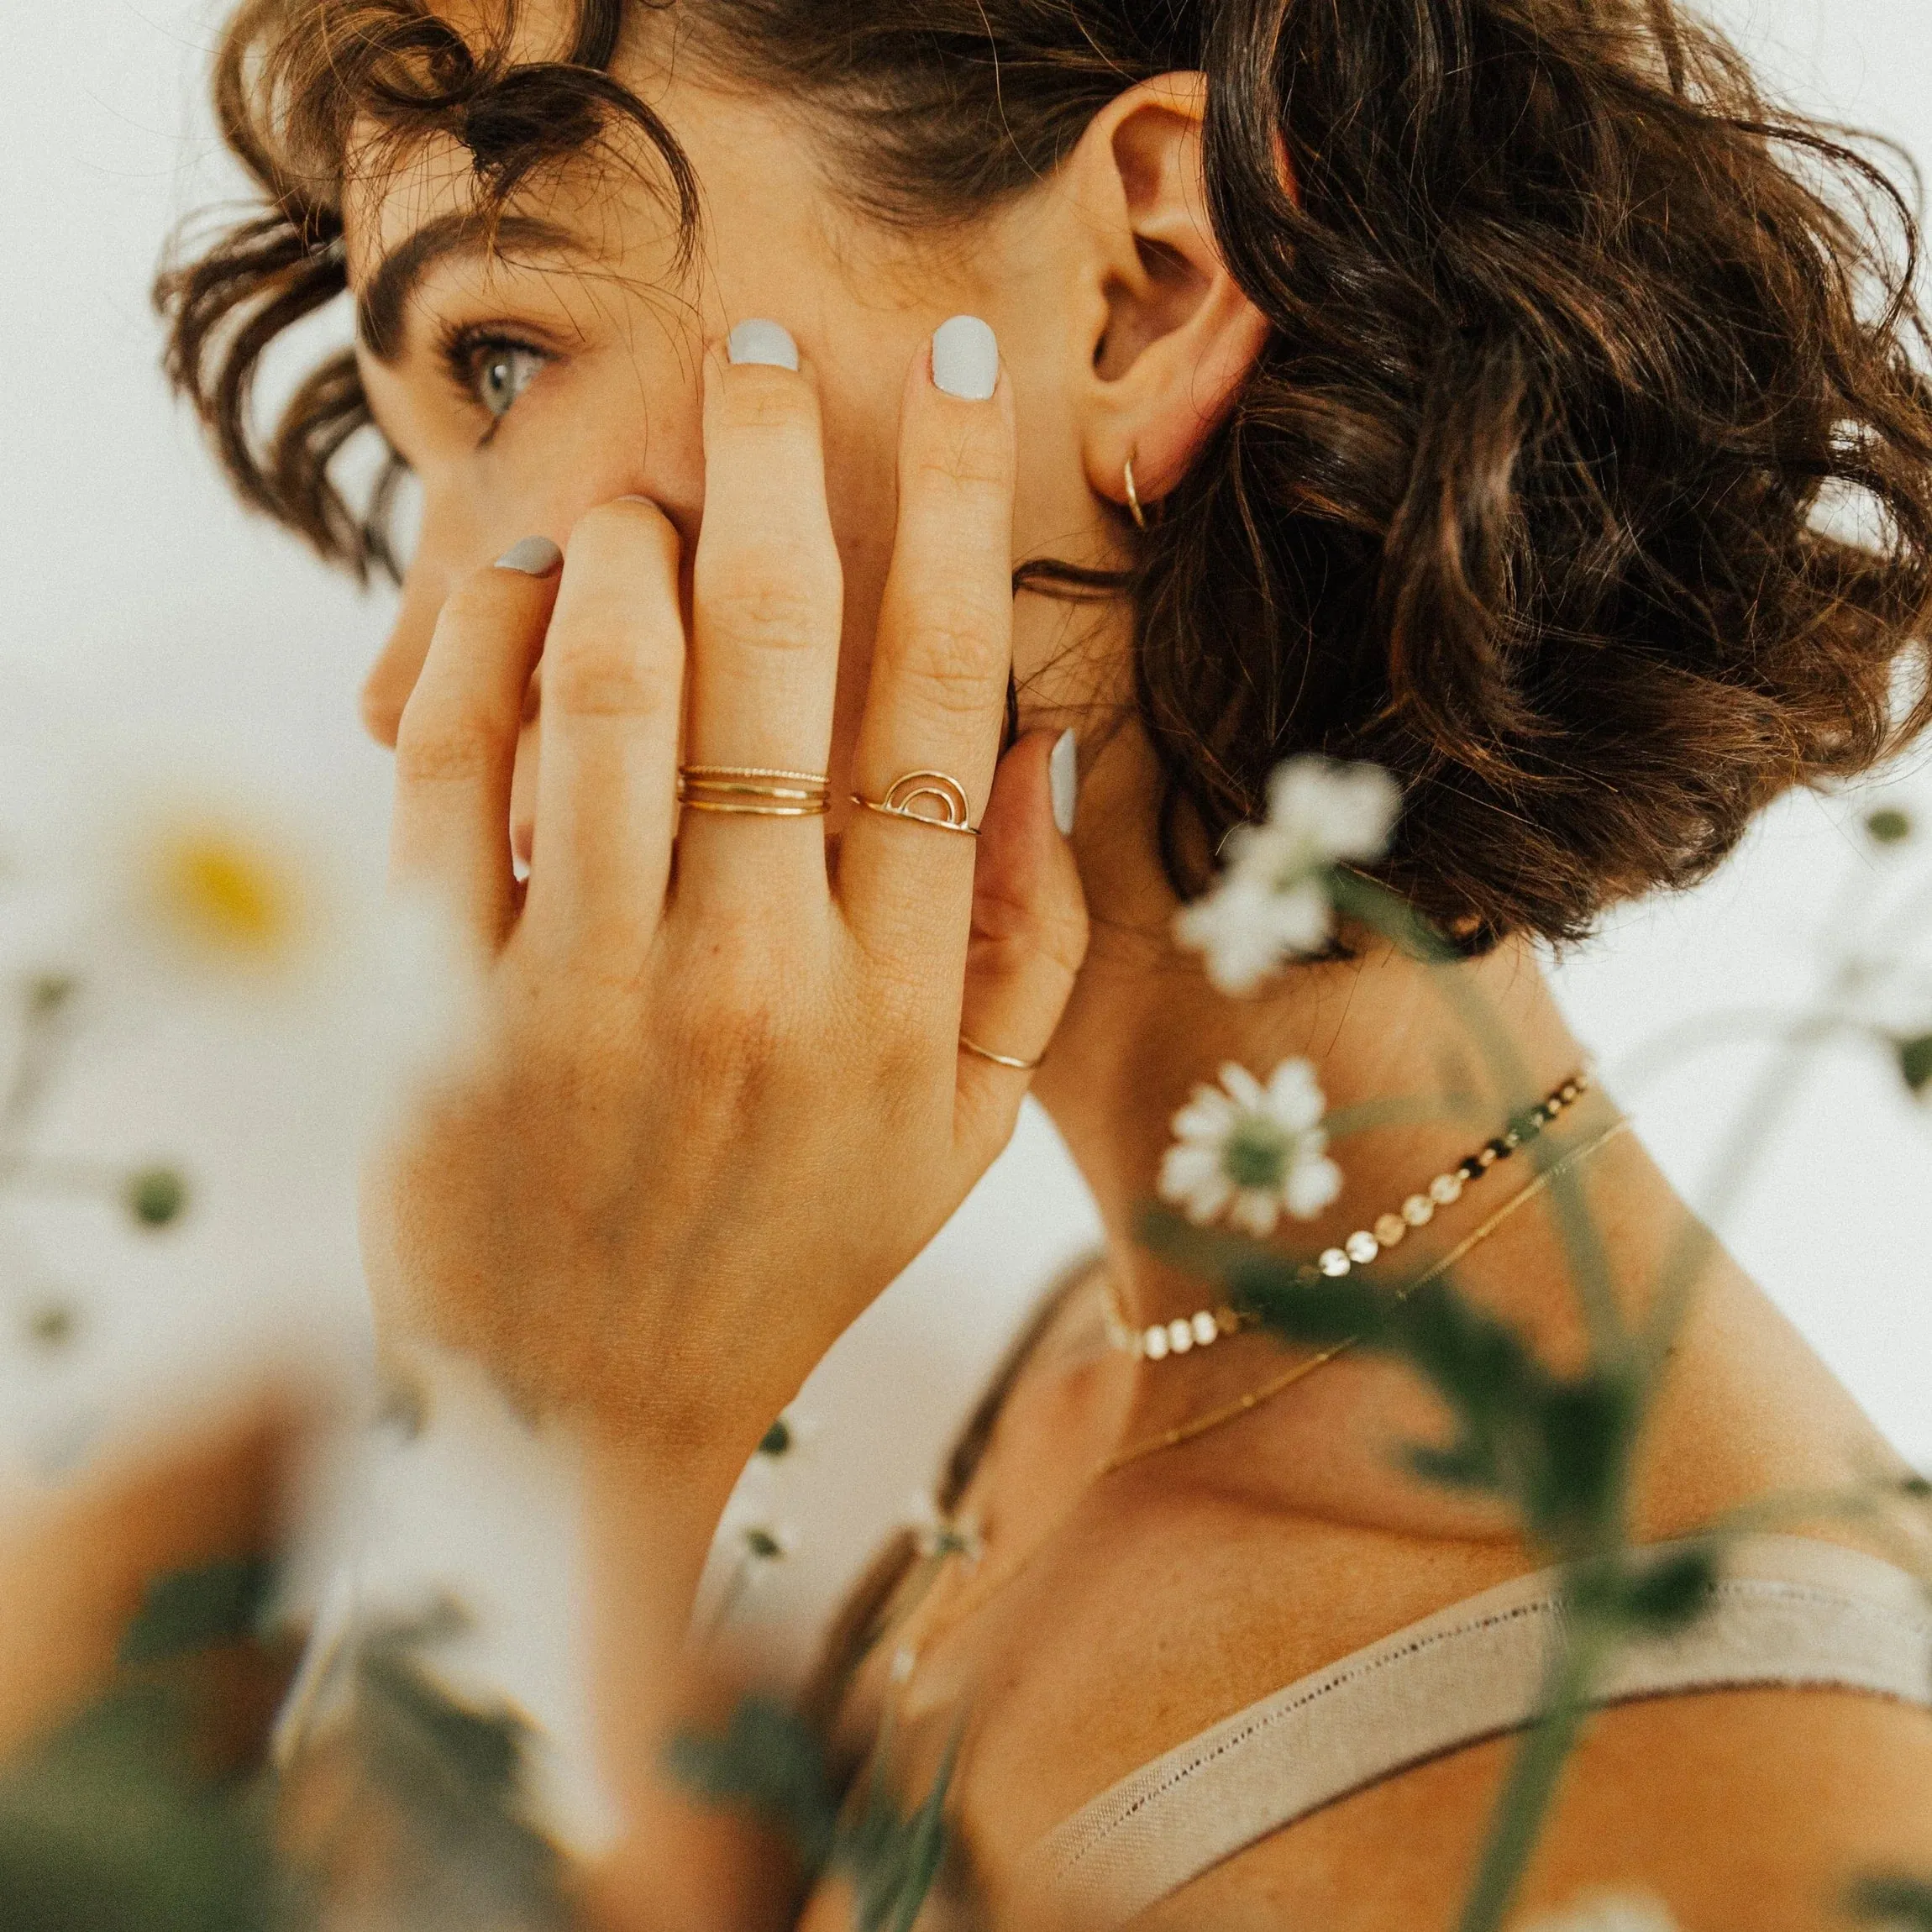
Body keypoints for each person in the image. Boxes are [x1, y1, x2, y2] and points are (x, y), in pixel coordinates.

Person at [155, 0, 1932, 1924]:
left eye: (501, 358)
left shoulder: (1711, 1800)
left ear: (1140, 294)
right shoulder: (979, 1380)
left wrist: (536, 1475)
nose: (414, 674)